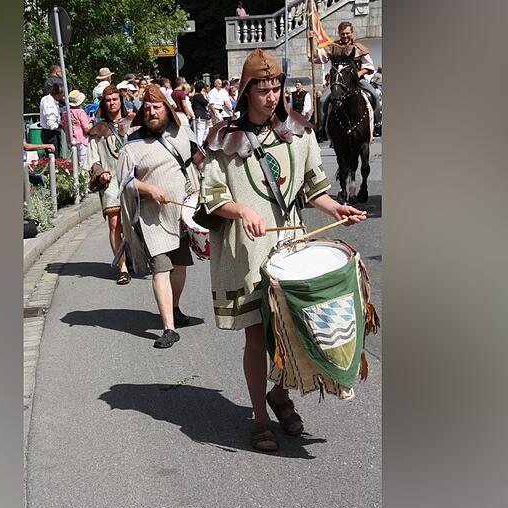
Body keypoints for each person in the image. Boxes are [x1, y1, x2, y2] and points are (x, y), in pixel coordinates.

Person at [198, 48, 366, 451]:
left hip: (288, 247)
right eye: (262, 89)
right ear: (245, 91)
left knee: (286, 331)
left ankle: (279, 393)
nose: (272, 96)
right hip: (247, 252)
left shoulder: (299, 132)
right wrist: (241, 210)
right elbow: (211, 198)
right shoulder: (223, 140)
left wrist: (335, 206)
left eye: (276, 88)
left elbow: (313, 189)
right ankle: (260, 415)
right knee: (257, 337)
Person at [116, 84, 203, 349]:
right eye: (148, 108)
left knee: (180, 266)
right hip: (153, 220)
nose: (152, 112)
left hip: (181, 214)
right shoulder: (132, 145)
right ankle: (168, 328)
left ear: (167, 108)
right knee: (161, 268)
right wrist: (148, 188)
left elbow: (199, 159)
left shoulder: (181, 133)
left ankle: (174, 308)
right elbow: (125, 182)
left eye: (157, 107)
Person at [85, 85, 132, 284]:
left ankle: (135, 255)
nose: (112, 103)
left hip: (132, 177)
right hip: (110, 180)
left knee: (135, 223)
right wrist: (100, 172)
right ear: (104, 104)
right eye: (108, 100)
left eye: (115, 99)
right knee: (115, 224)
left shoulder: (135, 123)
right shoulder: (98, 130)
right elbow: (92, 159)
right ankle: (122, 267)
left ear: (121, 100)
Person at [312, 21, 382, 136]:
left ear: (352, 33)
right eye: (343, 33)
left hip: (357, 80)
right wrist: (311, 45)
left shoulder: (359, 48)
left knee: (374, 94)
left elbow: (369, 67)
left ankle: (377, 124)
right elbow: (319, 57)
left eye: (347, 33)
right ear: (339, 33)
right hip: (337, 81)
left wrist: (358, 74)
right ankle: (321, 129)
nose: (345, 36)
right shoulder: (333, 47)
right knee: (323, 100)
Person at [65, 90, 92, 165]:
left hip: (70, 140)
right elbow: (86, 128)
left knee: (74, 162)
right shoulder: (80, 112)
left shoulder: (65, 113)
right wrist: (92, 123)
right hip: (81, 140)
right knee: (83, 162)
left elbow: (64, 126)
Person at [39, 85, 65, 156]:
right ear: (57, 94)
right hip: (50, 134)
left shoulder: (48, 99)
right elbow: (51, 124)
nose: (62, 97)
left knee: (54, 156)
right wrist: (61, 126)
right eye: (62, 95)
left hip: (50, 133)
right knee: (53, 157)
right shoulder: (49, 102)